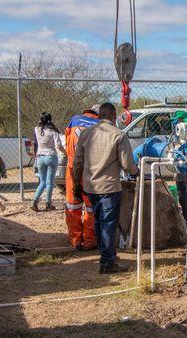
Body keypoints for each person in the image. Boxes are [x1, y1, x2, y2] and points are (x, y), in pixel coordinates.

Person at [72, 102, 139, 274]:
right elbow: (126, 164)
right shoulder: (118, 134)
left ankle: (105, 254)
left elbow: (77, 162)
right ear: (113, 116)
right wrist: (136, 171)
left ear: (99, 116)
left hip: (91, 186)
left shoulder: (86, 134)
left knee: (98, 220)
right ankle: (108, 262)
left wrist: (76, 184)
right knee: (108, 224)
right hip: (109, 186)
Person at [64, 106, 99, 251]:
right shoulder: (99, 125)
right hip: (90, 169)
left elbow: (67, 143)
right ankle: (89, 241)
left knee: (73, 204)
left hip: (72, 167)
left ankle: (75, 240)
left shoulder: (74, 121)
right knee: (91, 206)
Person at [32, 112, 65, 212]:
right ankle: (48, 204)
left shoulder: (36, 129)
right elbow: (58, 146)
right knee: (49, 182)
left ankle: (34, 202)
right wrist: (67, 153)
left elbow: (35, 143)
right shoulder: (52, 131)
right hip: (51, 156)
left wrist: (35, 154)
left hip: (40, 157)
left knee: (42, 182)